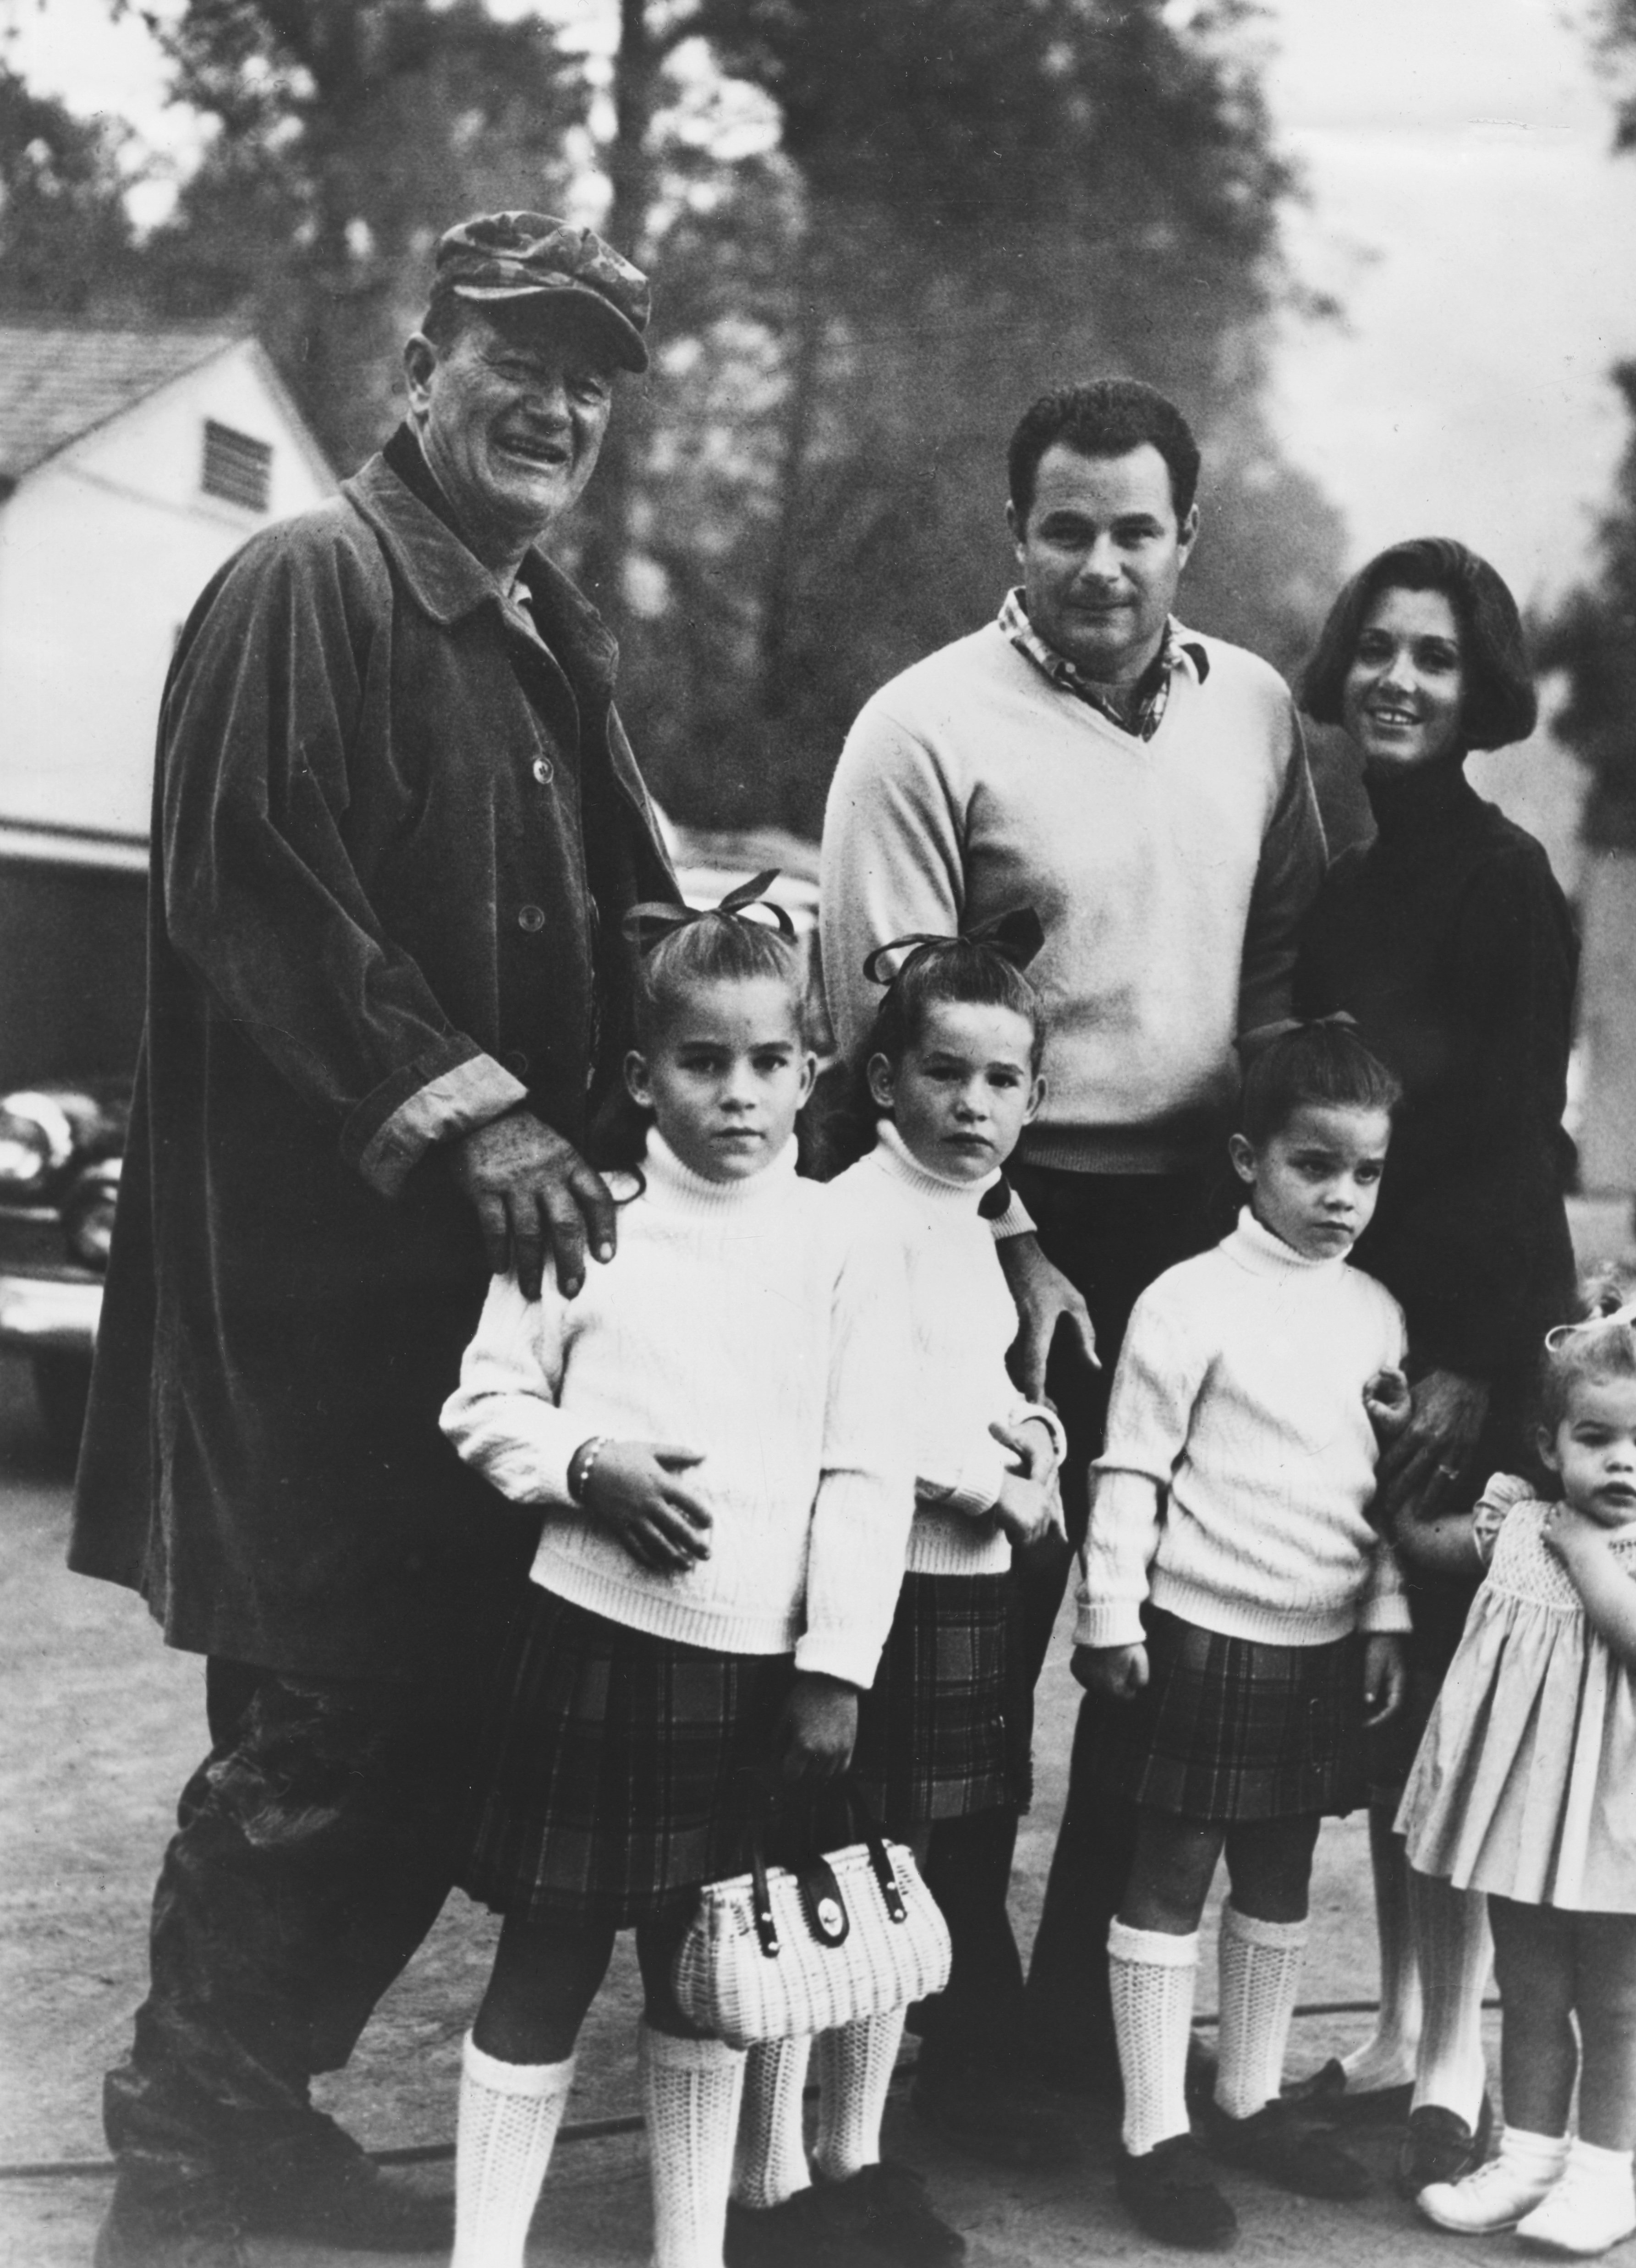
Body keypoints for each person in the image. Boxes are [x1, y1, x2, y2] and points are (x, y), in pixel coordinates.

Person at [68, 211, 675, 2267]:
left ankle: (248, 2110)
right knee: (325, 1732)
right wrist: (478, 1104)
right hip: (318, 1307)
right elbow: (254, 888)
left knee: (430, 1726)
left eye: (592, 377)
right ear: (424, 362)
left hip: (483, 1317)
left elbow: (638, 901)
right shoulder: (306, 579)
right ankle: (182, 2160)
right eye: (521, 356)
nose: (558, 403)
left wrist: (738, 1013)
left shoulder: (541, 632)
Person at [820, 374, 1328, 2104]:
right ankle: (942, 2019)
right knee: (965, 1635)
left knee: (1160, 1633)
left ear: (1188, 538)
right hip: (988, 1218)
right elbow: (883, 1014)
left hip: (1197, 1222)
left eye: (1134, 532)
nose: (1100, 566)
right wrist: (1013, 1235)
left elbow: (1275, 957)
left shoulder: (1254, 706)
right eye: (1065, 529)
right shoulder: (921, 725)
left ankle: (1084, 2040)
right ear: (1014, 534)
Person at [439, 898, 915, 2268]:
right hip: (593, 1641)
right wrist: (585, 1466)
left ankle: (687, 2247)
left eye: (770, 1060)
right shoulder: (592, 1225)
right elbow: (484, 1401)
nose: (740, 1090)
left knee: (708, 1974)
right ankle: (487, 2251)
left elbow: (863, 1470)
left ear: (810, 1068)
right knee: (546, 1953)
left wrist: (834, 1664)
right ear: (646, 1077)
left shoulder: (842, 1243)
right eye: (704, 1061)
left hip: (757, 1669)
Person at [1290, 535, 1579, 2196]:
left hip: (1469, 1343)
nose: (1400, 679)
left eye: (1438, 657)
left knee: (1459, 1720)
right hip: (1362, 1339)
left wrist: (1477, 1366)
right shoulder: (1343, 890)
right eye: (1379, 649)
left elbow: (1512, 1147)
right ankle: (1402, 2031)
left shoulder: (1503, 879)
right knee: (1384, 1711)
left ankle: (1460, 2063)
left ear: (1482, 693)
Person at [730, 917, 1067, 2267]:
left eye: (1002, 1081)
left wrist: (1032, 1440)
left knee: (903, 1891)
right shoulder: (851, 1217)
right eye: (943, 1072)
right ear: (881, 1083)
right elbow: (851, 1415)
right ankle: (770, 2172)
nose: (972, 1104)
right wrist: (994, 1489)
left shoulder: (969, 1220)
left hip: (967, 1597)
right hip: (880, 1598)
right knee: (823, 1879)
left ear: (1035, 1097)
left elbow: (982, 1382)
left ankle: (855, 2157)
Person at [1070, 1021, 1412, 2249]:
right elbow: (1127, 1471)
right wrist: (1108, 1609)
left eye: (1363, 1172)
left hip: (1319, 1636)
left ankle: (1247, 2095)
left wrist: (1379, 1614)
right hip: (1202, 1630)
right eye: (1311, 1164)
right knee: (1170, 1870)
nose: (1338, 1195)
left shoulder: (1374, 1310)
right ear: (1244, 1158)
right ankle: (1151, 2127)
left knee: (1278, 1872)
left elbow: (1377, 1491)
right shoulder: (1186, 1299)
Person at [1396, 1298, 1636, 2256]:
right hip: (1531, 1807)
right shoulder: (1517, 1520)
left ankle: (1603, 2177)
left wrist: (1588, 1552)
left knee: (1618, 2005)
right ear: (1550, 1446)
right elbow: (1427, 1551)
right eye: (1595, 1438)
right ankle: (1531, 2155)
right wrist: (1394, 1490)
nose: (1621, 1461)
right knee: (1530, 1990)